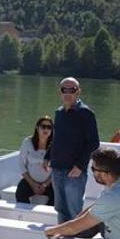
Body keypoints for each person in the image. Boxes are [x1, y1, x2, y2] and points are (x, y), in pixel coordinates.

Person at [43, 147, 120, 239]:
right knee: (83, 224)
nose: (92, 172)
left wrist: (51, 230)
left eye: (93, 169)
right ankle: (58, 238)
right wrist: (73, 222)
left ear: (105, 174)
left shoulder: (114, 196)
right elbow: (96, 207)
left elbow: (74, 228)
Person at [44, 77, 100, 224]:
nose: (68, 93)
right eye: (64, 90)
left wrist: (79, 166)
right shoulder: (59, 113)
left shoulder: (86, 113)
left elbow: (94, 143)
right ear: (60, 93)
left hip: (74, 171)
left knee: (74, 210)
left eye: (72, 90)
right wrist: (47, 156)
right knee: (60, 208)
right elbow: (56, 138)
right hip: (56, 169)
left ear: (78, 92)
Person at [16, 116, 54, 205]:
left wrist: (45, 184)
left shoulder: (55, 145)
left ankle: (47, 217)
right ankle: (25, 216)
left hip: (49, 183)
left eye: (49, 127)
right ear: (37, 128)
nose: (46, 129)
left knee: (58, 196)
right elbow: (21, 165)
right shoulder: (27, 142)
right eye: (43, 126)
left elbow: (57, 169)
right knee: (20, 191)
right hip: (30, 181)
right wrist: (33, 184)